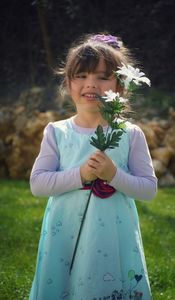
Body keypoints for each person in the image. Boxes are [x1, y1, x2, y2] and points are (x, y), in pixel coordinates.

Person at [29, 33, 157, 300]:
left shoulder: (130, 134)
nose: (91, 84)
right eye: (82, 75)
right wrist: (81, 175)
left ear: (121, 86)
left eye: (102, 76)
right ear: (68, 82)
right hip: (64, 233)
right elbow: (38, 184)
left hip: (111, 236)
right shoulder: (57, 132)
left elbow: (148, 190)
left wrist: (114, 175)